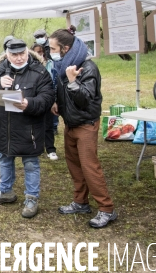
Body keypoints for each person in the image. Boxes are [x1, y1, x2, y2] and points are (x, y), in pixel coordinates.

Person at [49, 26, 117, 228]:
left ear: (65, 48)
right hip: (70, 123)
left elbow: (85, 99)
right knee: (74, 166)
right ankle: (80, 202)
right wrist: (56, 102)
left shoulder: (87, 68)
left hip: (85, 124)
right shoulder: (65, 65)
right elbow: (61, 91)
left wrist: (72, 81)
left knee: (90, 168)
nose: (50, 51)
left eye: (53, 48)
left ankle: (107, 209)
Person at [0, 39, 55, 218]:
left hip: (28, 128)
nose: (18, 58)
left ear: (27, 52)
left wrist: (30, 103)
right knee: (5, 159)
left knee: (30, 164)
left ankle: (31, 198)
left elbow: (47, 97)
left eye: (22, 54)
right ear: (7, 54)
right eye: (14, 55)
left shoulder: (39, 72)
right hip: (4, 128)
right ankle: (5, 191)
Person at [31, 42, 58, 161]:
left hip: (47, 99)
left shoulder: (50, 64)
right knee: (36, 125)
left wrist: (53, 100)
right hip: (34, 100)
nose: (39, 54)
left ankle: (51, 149)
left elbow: (54, 83)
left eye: (41, 52)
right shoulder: (30, 66)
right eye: (37, 52)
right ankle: (38, 147)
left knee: (48, 125)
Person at [34, 28, 60, 140]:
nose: (39, 38)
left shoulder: (51, 46)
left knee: (53, 108)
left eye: (41, 36)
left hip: (52, 79)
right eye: (37, 37)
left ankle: (54, 127)